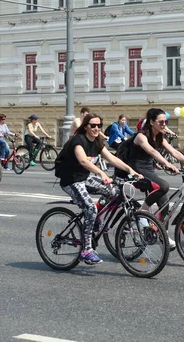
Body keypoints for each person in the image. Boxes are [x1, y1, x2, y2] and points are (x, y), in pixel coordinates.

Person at [58, 113, 142, 265]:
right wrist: (101, 173)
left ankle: (95, 218)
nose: (96, 128)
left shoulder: (96, 142)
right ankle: (86, 250)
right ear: (85, 127)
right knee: (90, 208)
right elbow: (83, 161)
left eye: (99, 125)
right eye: (93, 125)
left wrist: (131, 170)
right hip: (71, 181)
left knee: (114, 192)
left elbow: (112, 158)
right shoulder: (78, 141)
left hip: (84, 178)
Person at [125, 108, 184, 249]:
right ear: (152, 122)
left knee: (165, 206)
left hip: (148, 169)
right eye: (161, 122)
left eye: (166, 122)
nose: (164, 125)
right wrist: (167, 164)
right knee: (164, 186)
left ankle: (161, 234)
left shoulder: (160, 136)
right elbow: (152, 151)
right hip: (137, 170)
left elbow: (174, 152)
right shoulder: (141, 136)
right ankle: (141, 213)